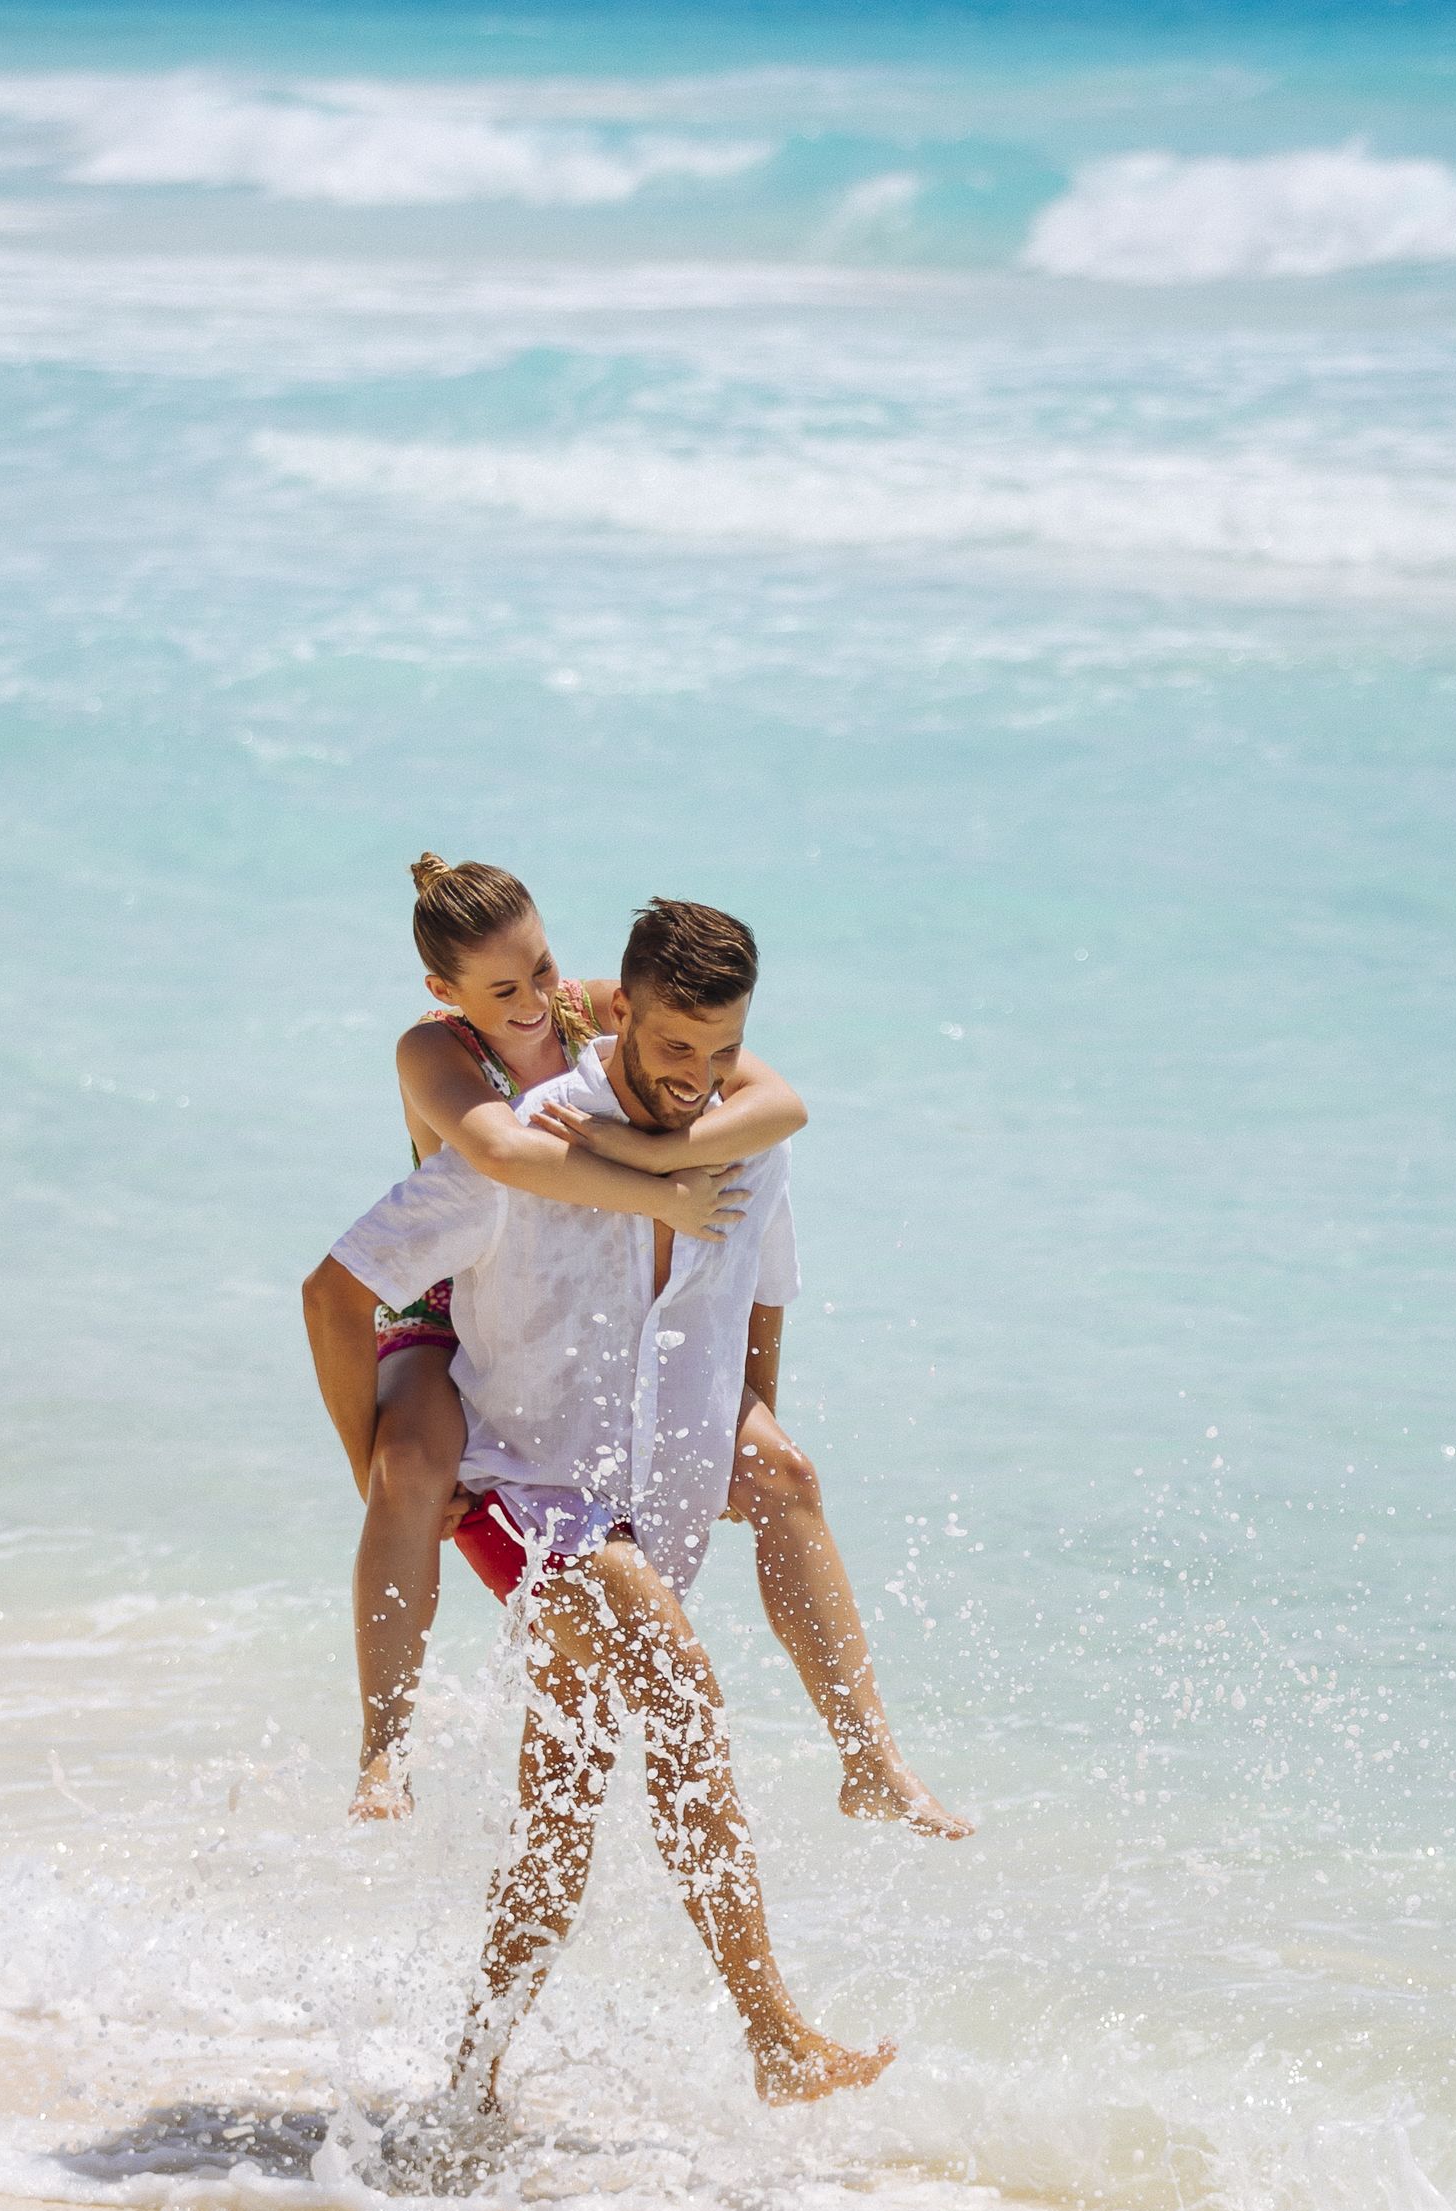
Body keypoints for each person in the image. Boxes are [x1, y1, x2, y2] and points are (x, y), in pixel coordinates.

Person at [302, 898, 894, 2115]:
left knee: (560, 1807)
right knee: (679, 1685)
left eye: (719, 1054)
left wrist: (748, 1416)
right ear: (627, 1019)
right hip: (513, 1484)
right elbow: (332, 1289)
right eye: (677, 1052)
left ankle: (467, 2088)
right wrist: (378, 1463)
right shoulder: (512, 1135)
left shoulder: (724, 1132)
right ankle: (774, 2032)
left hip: (614, 1489)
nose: (700, 1079)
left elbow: (757, 1269)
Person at [345, 855, 965, 1845]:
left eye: (543, 970)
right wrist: (666, 1193)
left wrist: (665, 1156)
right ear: (446, 993)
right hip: (446, 1296)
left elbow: (778, 1111)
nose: (535, 1001)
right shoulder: (434, 1049)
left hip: (577, 1303)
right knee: (411, 1464)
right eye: (503, 989)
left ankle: (870, 1758)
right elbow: (506, 1154)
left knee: (782, 1475)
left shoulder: (603, 1008)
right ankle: (384, 1743)